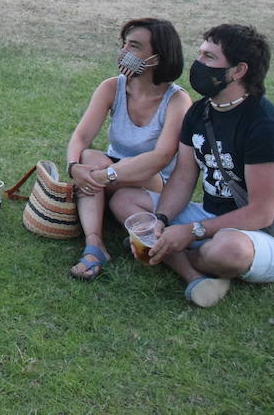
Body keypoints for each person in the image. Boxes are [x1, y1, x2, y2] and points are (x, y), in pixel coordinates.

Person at [110, 25, 274, 308]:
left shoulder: (265, 127)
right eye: (200, 54)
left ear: (237, 71)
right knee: (126, 198)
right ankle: (192, 272)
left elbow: (262, 214)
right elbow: (182, 178)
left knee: (228, 249)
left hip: (269, 236)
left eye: (209, 57)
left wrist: (192, 232)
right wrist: (163, 220)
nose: (198, 63)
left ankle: (179, 254)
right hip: (212, 216)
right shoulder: (199, 112)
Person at [63, 18, 191, 280]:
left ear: (158, 56)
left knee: (99, 165)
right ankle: (94, 244)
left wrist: (104, 175)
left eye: (134, 46)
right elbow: (82, 136)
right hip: (108, 172)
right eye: (124, 45)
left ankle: (106, 211)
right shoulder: (112, 86)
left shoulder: (177, 100)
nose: (124, 52)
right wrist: (73, 166)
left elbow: (161, 157)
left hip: (152, 181)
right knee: (88, 156)